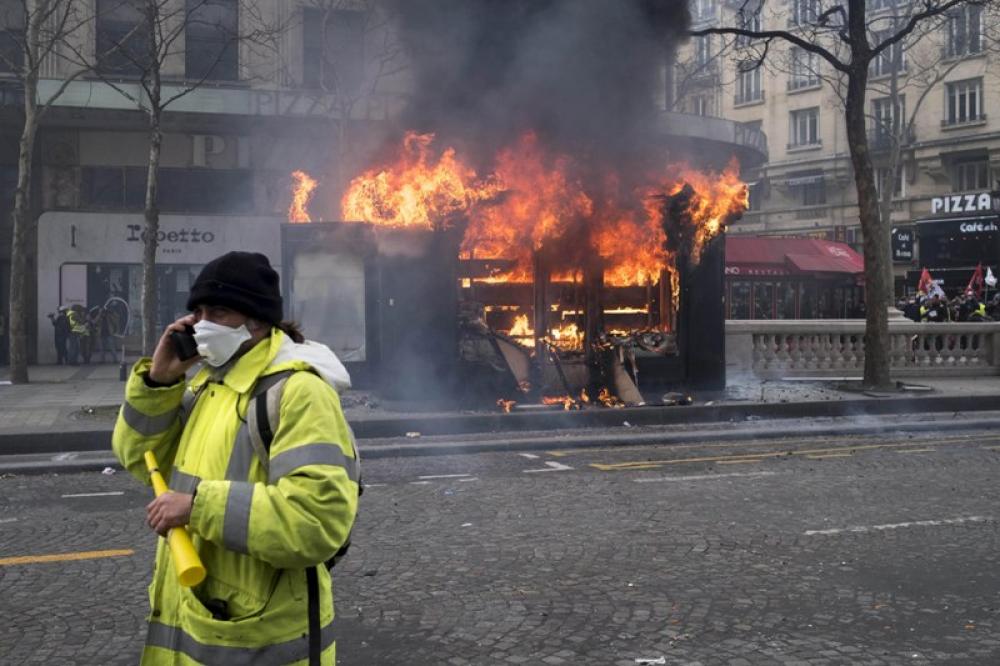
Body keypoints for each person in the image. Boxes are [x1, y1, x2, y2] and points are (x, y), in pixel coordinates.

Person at [112, 251, 359, 665]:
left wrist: (196, 507)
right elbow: (140, 459)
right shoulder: (210, 381)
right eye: (198, 312)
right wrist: (159, 381)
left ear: (257, 321)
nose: (203, 323)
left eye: (219, 311)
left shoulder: (299, 392)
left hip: (260, 643)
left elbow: (316, 522)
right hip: (200, 624)